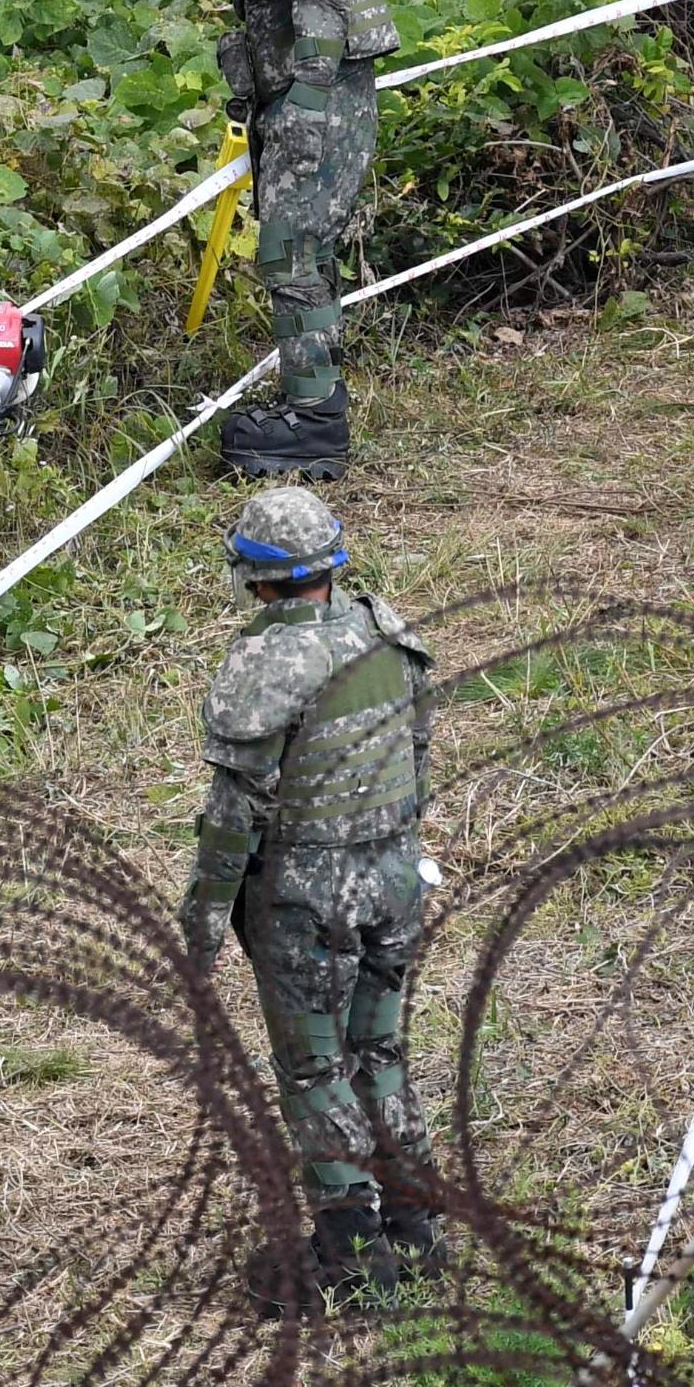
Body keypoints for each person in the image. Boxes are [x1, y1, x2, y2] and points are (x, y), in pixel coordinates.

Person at [176, 487, 442, 1310]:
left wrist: (205, 919)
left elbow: (233, 814)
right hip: (395, 879)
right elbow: (419, 753)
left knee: (316, 1066)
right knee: (381, 1052)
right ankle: (416, 1231)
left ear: (255, 579)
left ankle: (355, 1257)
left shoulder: (264, 663)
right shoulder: (388, 633)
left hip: (310, 897)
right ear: (332, 565)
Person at [171, 0, 400, 481]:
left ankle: (314, 420)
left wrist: (301, 104)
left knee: (289, 254)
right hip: (321, 109)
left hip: (319, 112)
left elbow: (322, 8)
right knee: (307, 257)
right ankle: (317, 395)